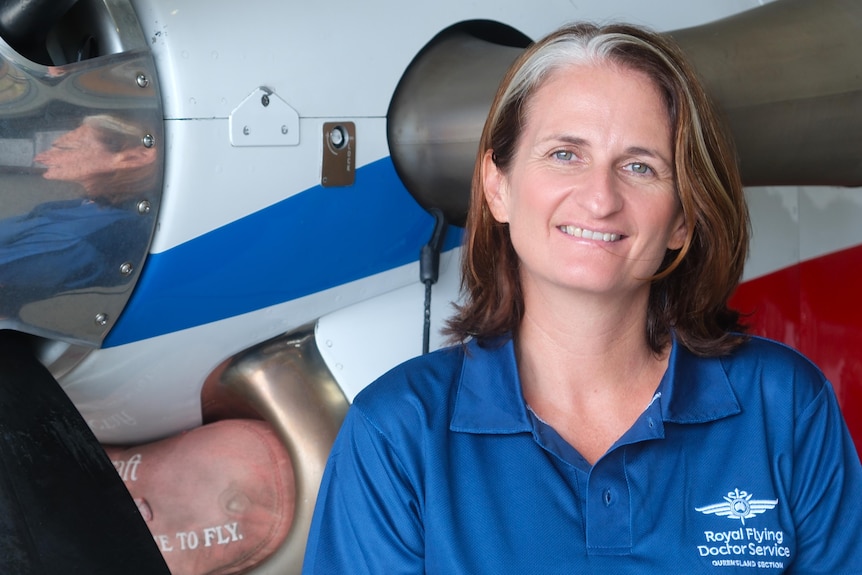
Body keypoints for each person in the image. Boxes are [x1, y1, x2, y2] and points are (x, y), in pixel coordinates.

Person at [301, 23, 862, 573]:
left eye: (640, 166)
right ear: (498, 186)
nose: (600, 198)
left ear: (683, 220)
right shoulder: (397, 433)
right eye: (565, 154)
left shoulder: (785, 406)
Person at [0, 114, 157, 315]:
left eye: (65, 149)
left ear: (133, 158)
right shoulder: (86, 207)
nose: (40, 157)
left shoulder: (77, 239)